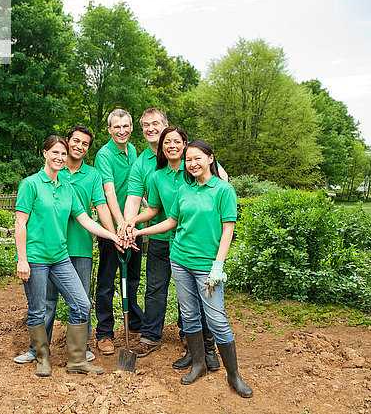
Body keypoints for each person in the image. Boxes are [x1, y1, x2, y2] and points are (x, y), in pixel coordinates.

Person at [123, 139, 253, 398]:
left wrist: (218, 265)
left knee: (216, 319)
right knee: (189, 314)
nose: (193, 164)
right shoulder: (184, 190)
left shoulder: (223, 190)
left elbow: (228, 230)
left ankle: (234, 375)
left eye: (198, 158)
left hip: (207, 267)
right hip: (180, 260)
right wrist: (139, 231)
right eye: (189, 159)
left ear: (210, 159)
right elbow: (171, 221)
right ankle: (198, 363)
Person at [15, 135, 120, 377]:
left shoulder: (67, 187)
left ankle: (76, 360)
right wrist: (23, 259)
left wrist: (112, 236)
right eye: (55, 153)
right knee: (38, 309)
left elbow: (84, 220)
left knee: (82, 304)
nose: (60, 157)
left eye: (63, 154)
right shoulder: (30, 185)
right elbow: (21, 223)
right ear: (44, 153)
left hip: (60, 257)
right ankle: (42, 356)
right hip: (36, 257)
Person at [122, 118, 221, 371]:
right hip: (159, 240)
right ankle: (150, 337)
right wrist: (132, 221)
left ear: (185, 145)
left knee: (191, 297)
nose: (172, 146)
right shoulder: (156, 177)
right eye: (167, 143)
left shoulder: (194, 173)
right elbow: (154, 210)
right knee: (155, 289)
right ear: (162, 148)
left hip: (190, 244)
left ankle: (192, 341)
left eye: (177, 142)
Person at [93, 109, 143, 355]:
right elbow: (109, 192)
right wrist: (118, 230)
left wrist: (132, 225)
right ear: (110, 129)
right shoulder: (104, 155)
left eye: (125, 126)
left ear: (131, 127)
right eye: (117, 127)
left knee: (132, 278)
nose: (121, 130)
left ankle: (134, 322)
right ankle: (104, 333)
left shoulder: (133, 151)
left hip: (135, 229)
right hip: (113, 229)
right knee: (106, 282)